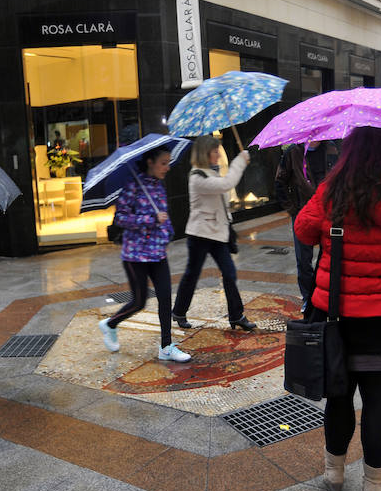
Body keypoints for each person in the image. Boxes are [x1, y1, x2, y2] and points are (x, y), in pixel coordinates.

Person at [294, 126, 381, 491]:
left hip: (338, 316)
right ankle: (374, 486)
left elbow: (304, 232)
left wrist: (321, 192)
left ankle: (334, 474)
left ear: (349, 152)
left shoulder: (334, 191)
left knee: (339, 396)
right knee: (376, 399)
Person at [98, 147, 191, 362]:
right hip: (135, 255)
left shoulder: (158, 186)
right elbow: (120, 219)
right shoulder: (132, 186)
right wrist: (150, 219)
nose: (167, 168)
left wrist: (168, 231)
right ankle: (110, 324)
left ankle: (166, 346)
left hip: (158, 253)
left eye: (169, 163)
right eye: (163, 163)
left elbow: (164, 215)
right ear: (150, 162)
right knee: (139, 302)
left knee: (166, 299)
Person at [171, 136, 256, 331]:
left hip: (218, 235)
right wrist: (240, 161)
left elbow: (222, 198)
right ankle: (179, 312)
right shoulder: (197, 177)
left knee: (229, 273)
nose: (219, 154)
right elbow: (226, 185)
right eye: (215, 151)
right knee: (192, 274)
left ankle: (236, 316)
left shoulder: (212, 173)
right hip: (200, 235)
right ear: (205, 153)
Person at [274, 140, 339, 313]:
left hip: (329, 210)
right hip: (303, 212)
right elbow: (280, 181)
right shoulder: (293, 153)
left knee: (330, 256)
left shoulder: (331, 148)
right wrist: (292, 209)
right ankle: (308, 298)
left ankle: (327, 296)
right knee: (303, 260)